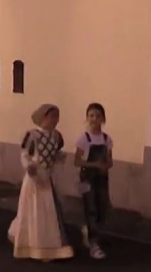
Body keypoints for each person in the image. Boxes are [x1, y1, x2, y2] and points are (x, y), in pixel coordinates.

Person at [10, 104, 74, 261]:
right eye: (52, 116)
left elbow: (55, 152)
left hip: (48, 177)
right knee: (34, 211)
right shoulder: (32, 135)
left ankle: (51, 246)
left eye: (57, 117)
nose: (55, 120)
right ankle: (31, 245)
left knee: (49, 212)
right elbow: (25, 154)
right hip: (35, 178)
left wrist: (58, 157)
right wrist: (29, 167)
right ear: (43, 117)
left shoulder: (56, 136)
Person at [74, 103, 114, 260]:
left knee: (102, 207)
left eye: (97, 116)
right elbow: (77, 161)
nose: (94, 119)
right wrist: (94, 164)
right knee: (91, 207)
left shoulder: (106, 139)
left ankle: (93, 233)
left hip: (102, 177)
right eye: (91, 115)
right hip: (87, 177)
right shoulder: (84, 139)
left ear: (103, 119)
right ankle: (93, 243)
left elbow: (110, 160)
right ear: (87, 118)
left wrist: (106, 165)